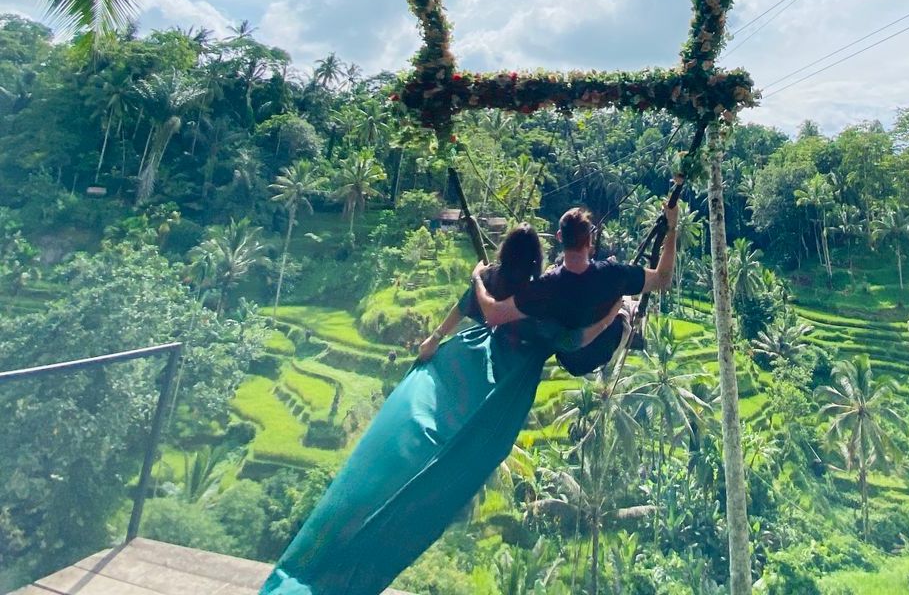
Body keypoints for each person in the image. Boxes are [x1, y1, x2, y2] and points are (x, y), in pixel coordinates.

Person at [259, 225, 618, 595]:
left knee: (422, 437)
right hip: (504, 389)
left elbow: (464, 306)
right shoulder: (540, 299)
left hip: (469, 359)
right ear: (537, 260)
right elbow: (572, 340)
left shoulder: (493, 279)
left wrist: (434, 339)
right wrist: (611, 316)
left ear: (505, 253)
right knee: (457, 458)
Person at [473, 201, 679, 368]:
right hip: (606, 348)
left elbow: (493, 315)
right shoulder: (613, 273)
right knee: (624, 301)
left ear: (560, 237)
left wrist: (477, 279)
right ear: (590, 241)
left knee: (543, 314)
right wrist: (672, 229)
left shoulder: (546, 286)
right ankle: (625, 307)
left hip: (571, 360)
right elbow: (663, 278)